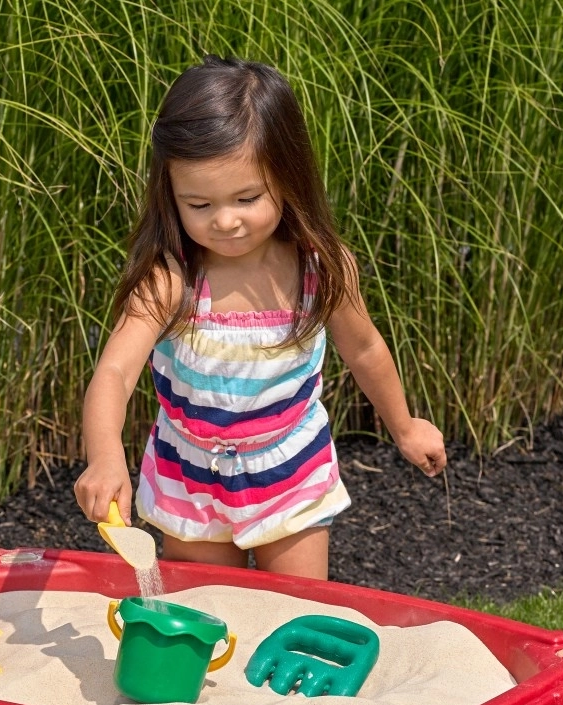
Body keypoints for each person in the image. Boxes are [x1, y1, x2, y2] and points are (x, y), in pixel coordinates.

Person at [74, 55, 447, 581]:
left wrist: (405, 427)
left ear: (287, 177)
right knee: (206, 607)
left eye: (247, 198)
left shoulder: (318, 266)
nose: (225, 221)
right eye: (198, 204)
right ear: (171, 195)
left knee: (296, 604)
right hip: (192, 476)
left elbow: (364, 350)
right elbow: (114, 372)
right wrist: (105, 456)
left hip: (290, 469)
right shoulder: (172, 279)